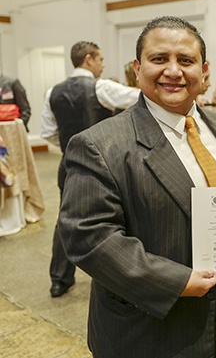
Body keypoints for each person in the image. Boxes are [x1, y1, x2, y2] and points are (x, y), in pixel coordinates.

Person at [57, 16, 216, 357]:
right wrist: (176, 282)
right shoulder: (99, 144)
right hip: (150, 328)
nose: (173, 71)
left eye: (186, 60)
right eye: (159, 59)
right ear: (138, 69)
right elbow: (88, 236)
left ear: (204, 71)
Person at [40, 41, 140, 298]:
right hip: (104, 165)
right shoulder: (102, 87)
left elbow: (48, 132)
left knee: (65, 219)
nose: (103, 65)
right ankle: (117, 277)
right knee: (114, 218)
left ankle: (59, 279)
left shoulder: (52, 92)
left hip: (68, 163)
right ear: (88, 59)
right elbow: (140, 96)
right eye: (100, 59)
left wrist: (71, 148)